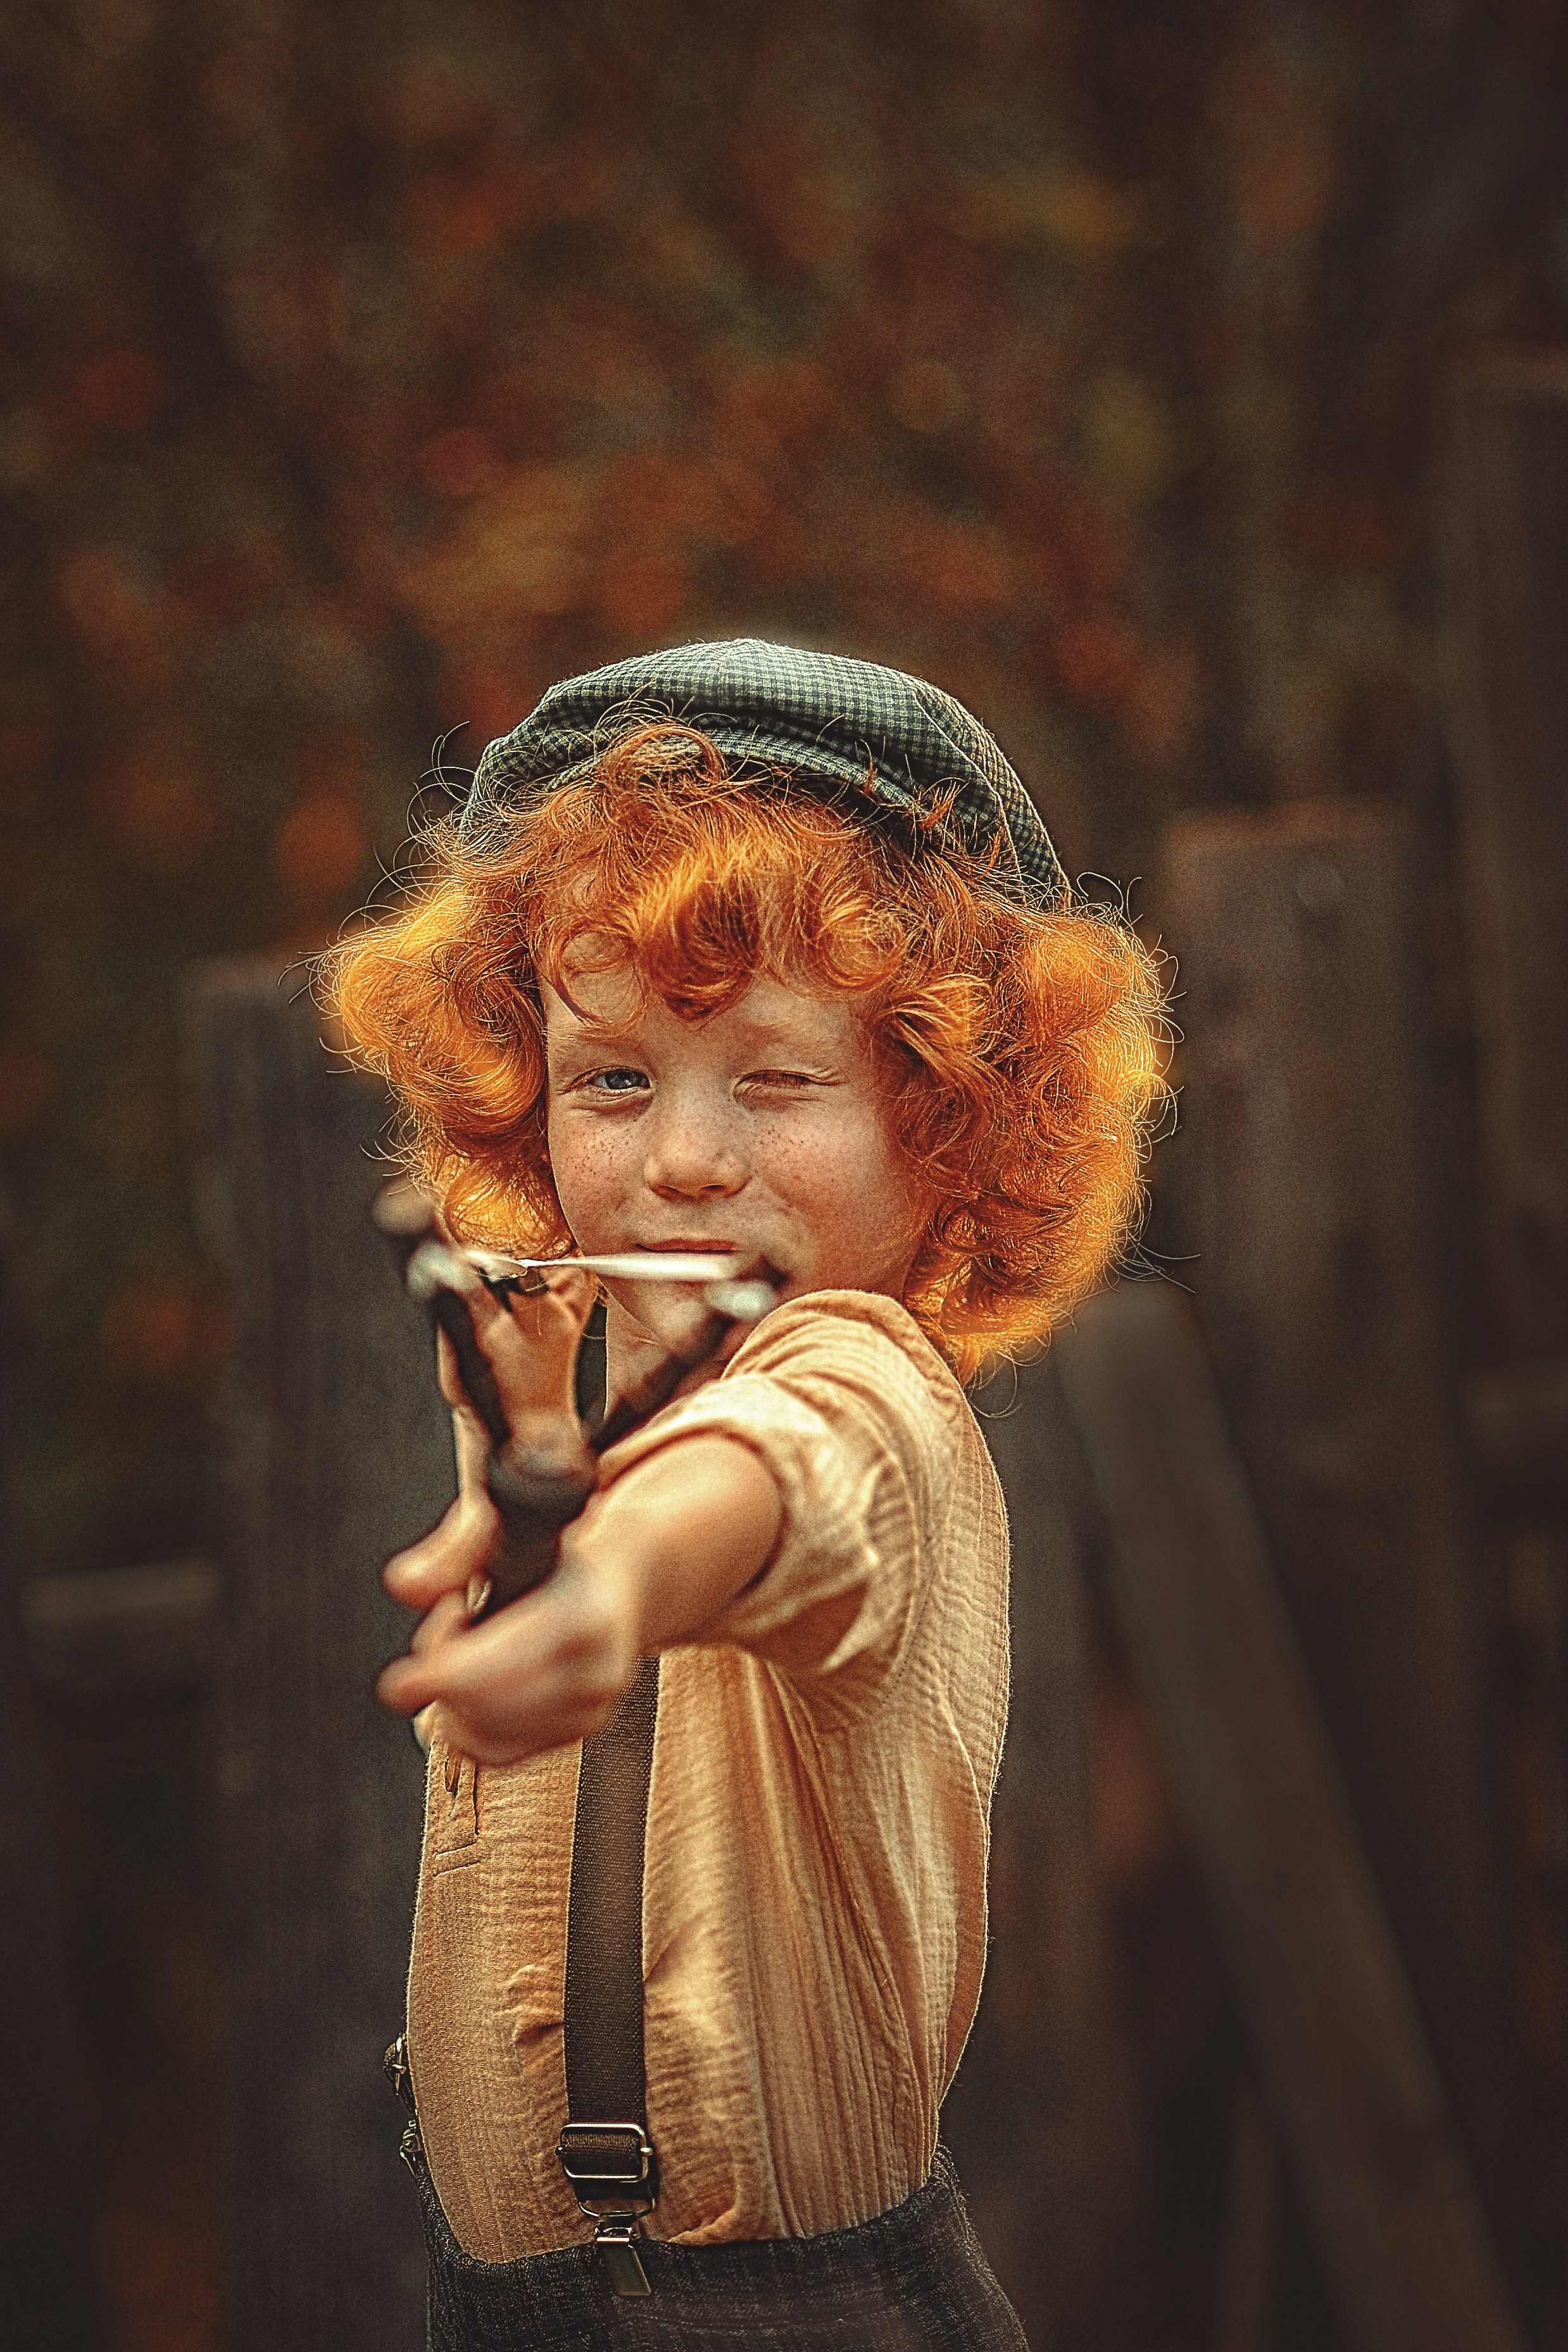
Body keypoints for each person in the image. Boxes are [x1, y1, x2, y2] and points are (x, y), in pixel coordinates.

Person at [323, 639, 1168, 2348]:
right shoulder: (559, 1398)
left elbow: (777, 1477)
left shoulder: (880, 1394)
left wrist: (611, 1582)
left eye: (774, 1079)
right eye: (615, 1078)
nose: (687, 1155)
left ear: (943, 1123)